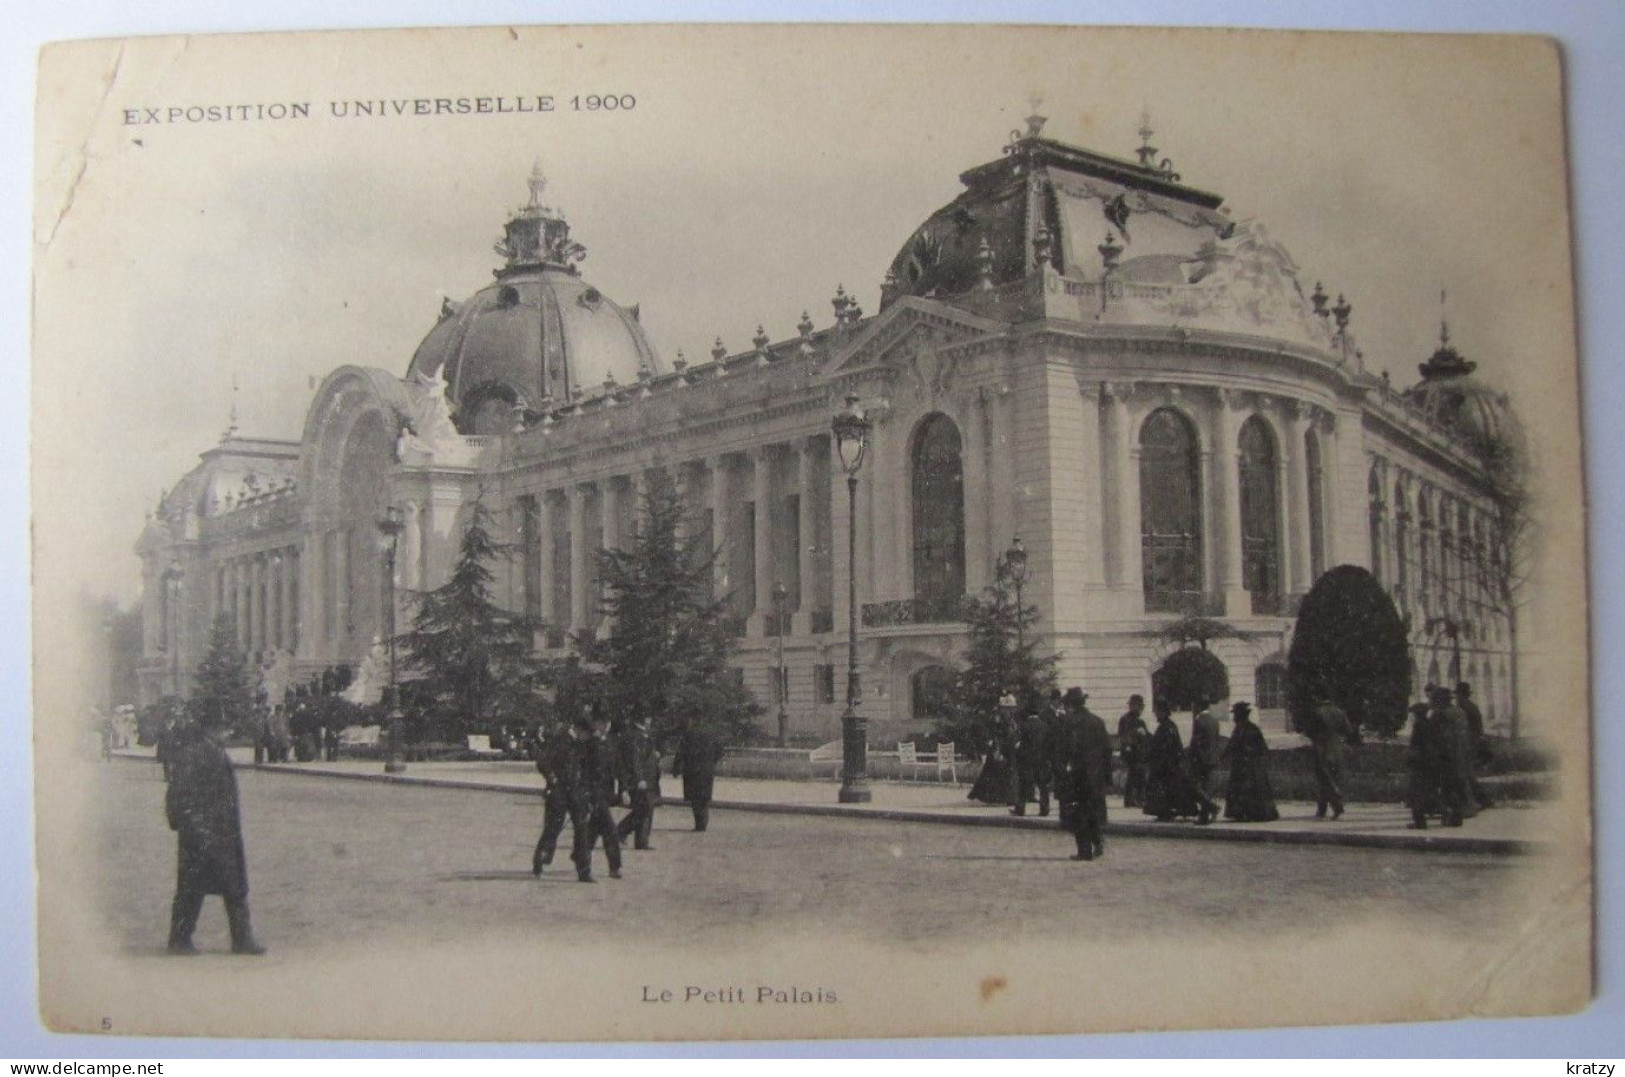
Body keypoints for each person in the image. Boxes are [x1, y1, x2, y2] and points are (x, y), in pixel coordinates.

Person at [164, 714, 266, 955]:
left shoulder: (211, 751)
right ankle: (180, 940)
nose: (229, 733)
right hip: (204, 835)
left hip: (221, 833)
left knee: (234, 889)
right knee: (193, 889)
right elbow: (177, 795)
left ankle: (242, 939)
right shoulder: (195, 754)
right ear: (212, 729)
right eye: (225, 728)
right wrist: (190, 826)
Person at [568, 712, 623, 882]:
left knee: (593, 831)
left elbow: (603, 771)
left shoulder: (593, 745)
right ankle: (606, 868)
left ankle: (584, 861)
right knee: (605, 830)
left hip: (596, 794)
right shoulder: (589, 745)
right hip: (591, 794)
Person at [1065, 687, 1113, 861]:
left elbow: (1068, 748)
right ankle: (1098, 841)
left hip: (1079, 774)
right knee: (1094, 810)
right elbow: (1108, 750)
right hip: (1096, 775)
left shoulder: (1071, 723)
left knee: (1079, 812)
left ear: (1071, 704)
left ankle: (1084, 850)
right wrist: (1107, 776)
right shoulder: (1097, 721)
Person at [1143, 699, 1201, 822]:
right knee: (1169, 789)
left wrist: (1147, 738)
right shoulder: (1168, 726)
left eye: (1157, 711)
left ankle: (1166, 812)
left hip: (1166, 765)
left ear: (1163, 712)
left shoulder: (1167, 727)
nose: (1156, 714)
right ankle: (1166, 811)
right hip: (1167, 764)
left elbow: (1163, 745)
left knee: (1166, 789)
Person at [1431, 685, 1479, 828]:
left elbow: (1439, 736)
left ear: (1440, 700)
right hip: (1463, 750)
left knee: (1447, 785)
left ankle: (1451, 814)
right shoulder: (1459, 711)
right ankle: (1468, 807)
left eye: (1434, 699)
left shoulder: (1440, 714)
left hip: (1447, 754)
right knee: (1462, 780)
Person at [1222, 701, 1278, 822]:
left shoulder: (1245, 729)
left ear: (1240, 715)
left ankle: (1248, 813)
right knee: (1252, 788)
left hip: (1246, 764)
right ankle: (1250, 813)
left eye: (1235, 715)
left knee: (1247, 788)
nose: (1234, 718)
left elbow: (1235, 745)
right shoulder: (1247, 728)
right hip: (1249, 765)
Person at [532, 720, 574, 875]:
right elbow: (543, 761)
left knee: (582, 827)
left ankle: (582, 863)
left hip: (575, 791)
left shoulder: (583, 743)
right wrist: (552, 777)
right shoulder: (559, 741)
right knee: (553, 826)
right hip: (558, 790)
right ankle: (541, 857)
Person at [615, 715, 662, 850]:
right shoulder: (634, 735)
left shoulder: (642, 734)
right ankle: (622, 831)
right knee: (645, 808)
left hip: (648, 779)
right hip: (642, 780)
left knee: (646, 808)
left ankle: (641, 840)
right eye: (648, 718)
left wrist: (655, 755)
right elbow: (635, 759)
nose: (650, 722)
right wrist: (639, 778)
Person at [1304, 693, 1353, 820]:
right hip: (1336, 748)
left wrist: (1317, 737)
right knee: (1334, 777)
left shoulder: (1316, 712)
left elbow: (1308, 731)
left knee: (1324, 778)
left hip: (1321, 748)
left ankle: (1337, 808)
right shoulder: (1340, 712)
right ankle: (1322, 809)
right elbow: (1348, 730)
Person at [672, 716, 723, 832]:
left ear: (693, 720)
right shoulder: (712, 733)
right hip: (707, 771)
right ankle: (702, 823)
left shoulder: (688, 734)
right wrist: (711, 762)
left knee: (695, 799)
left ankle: (699, 824)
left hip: (692, 770)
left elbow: (680, 751)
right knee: (704, 797)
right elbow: (720, 751)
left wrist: (676, 768)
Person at [968, 695, 1019, 806]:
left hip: (1009, 749)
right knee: (996, 774)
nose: (1010, 710)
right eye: (1008, 708)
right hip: (1000, 749)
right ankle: (998, 797)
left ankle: (1008, 797)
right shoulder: (999, 719)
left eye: (1011, 708)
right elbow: (996, 735)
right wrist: (997, 750)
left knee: (1007, 773)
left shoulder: (1010, 719)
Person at [1456, 682, 1495, 810]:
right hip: (1473, 741)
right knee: (1467, 773)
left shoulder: (1463, 707)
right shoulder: (1472, 706)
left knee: (1467, 773)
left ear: (1461, 695)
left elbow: (1464, 728)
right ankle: (1479, 800)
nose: (1457, 697)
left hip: (1469, 743)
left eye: (1458, 694)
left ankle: (1482, 800)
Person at [1405, 701, 1442, 830]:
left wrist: (1410, 759)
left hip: (1420, 764)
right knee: (1428, 791)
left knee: (1417, 793)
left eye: (1414, 714)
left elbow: (1416, 746)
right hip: (1431, 763)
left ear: (1417, 714)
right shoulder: (1430, 725)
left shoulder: (1419, 726)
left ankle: (1419, 822)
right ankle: (1434, 813)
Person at [1011, 699, 1052, 817]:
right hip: (1042, 760)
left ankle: (1020, 808)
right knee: (1043, 785)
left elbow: (1020, 744)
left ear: (1028, 713)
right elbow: (1049, 744)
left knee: (1024, 784)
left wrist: (1018, 755)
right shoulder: (1045, 726)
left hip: (1027, 760)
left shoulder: (1024, 726)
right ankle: (1045, 809)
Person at [1186, 697, 1222, 825]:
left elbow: (1195, 741)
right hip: (1213, 759)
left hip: (1201, 760)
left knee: (1194, 786)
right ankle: (1204, 817)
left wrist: (1190, 756)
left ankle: (1213, 807)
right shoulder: (1215, 721)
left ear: (1198, 707)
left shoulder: (1199, 720)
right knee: (1208, 789)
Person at [1116, 695, 1151, 809]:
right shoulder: (1125, 720)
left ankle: (1138, 799)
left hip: (1140, 753)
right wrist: (1137, 734)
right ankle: (1132, 799)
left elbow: (1147, 736)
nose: (1140, 710)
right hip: (1130, 753)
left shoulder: (1140, 721)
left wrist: (1146, 735)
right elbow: (1124, 737)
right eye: (1138, 706)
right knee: (1134, 775)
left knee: (1139, 775)